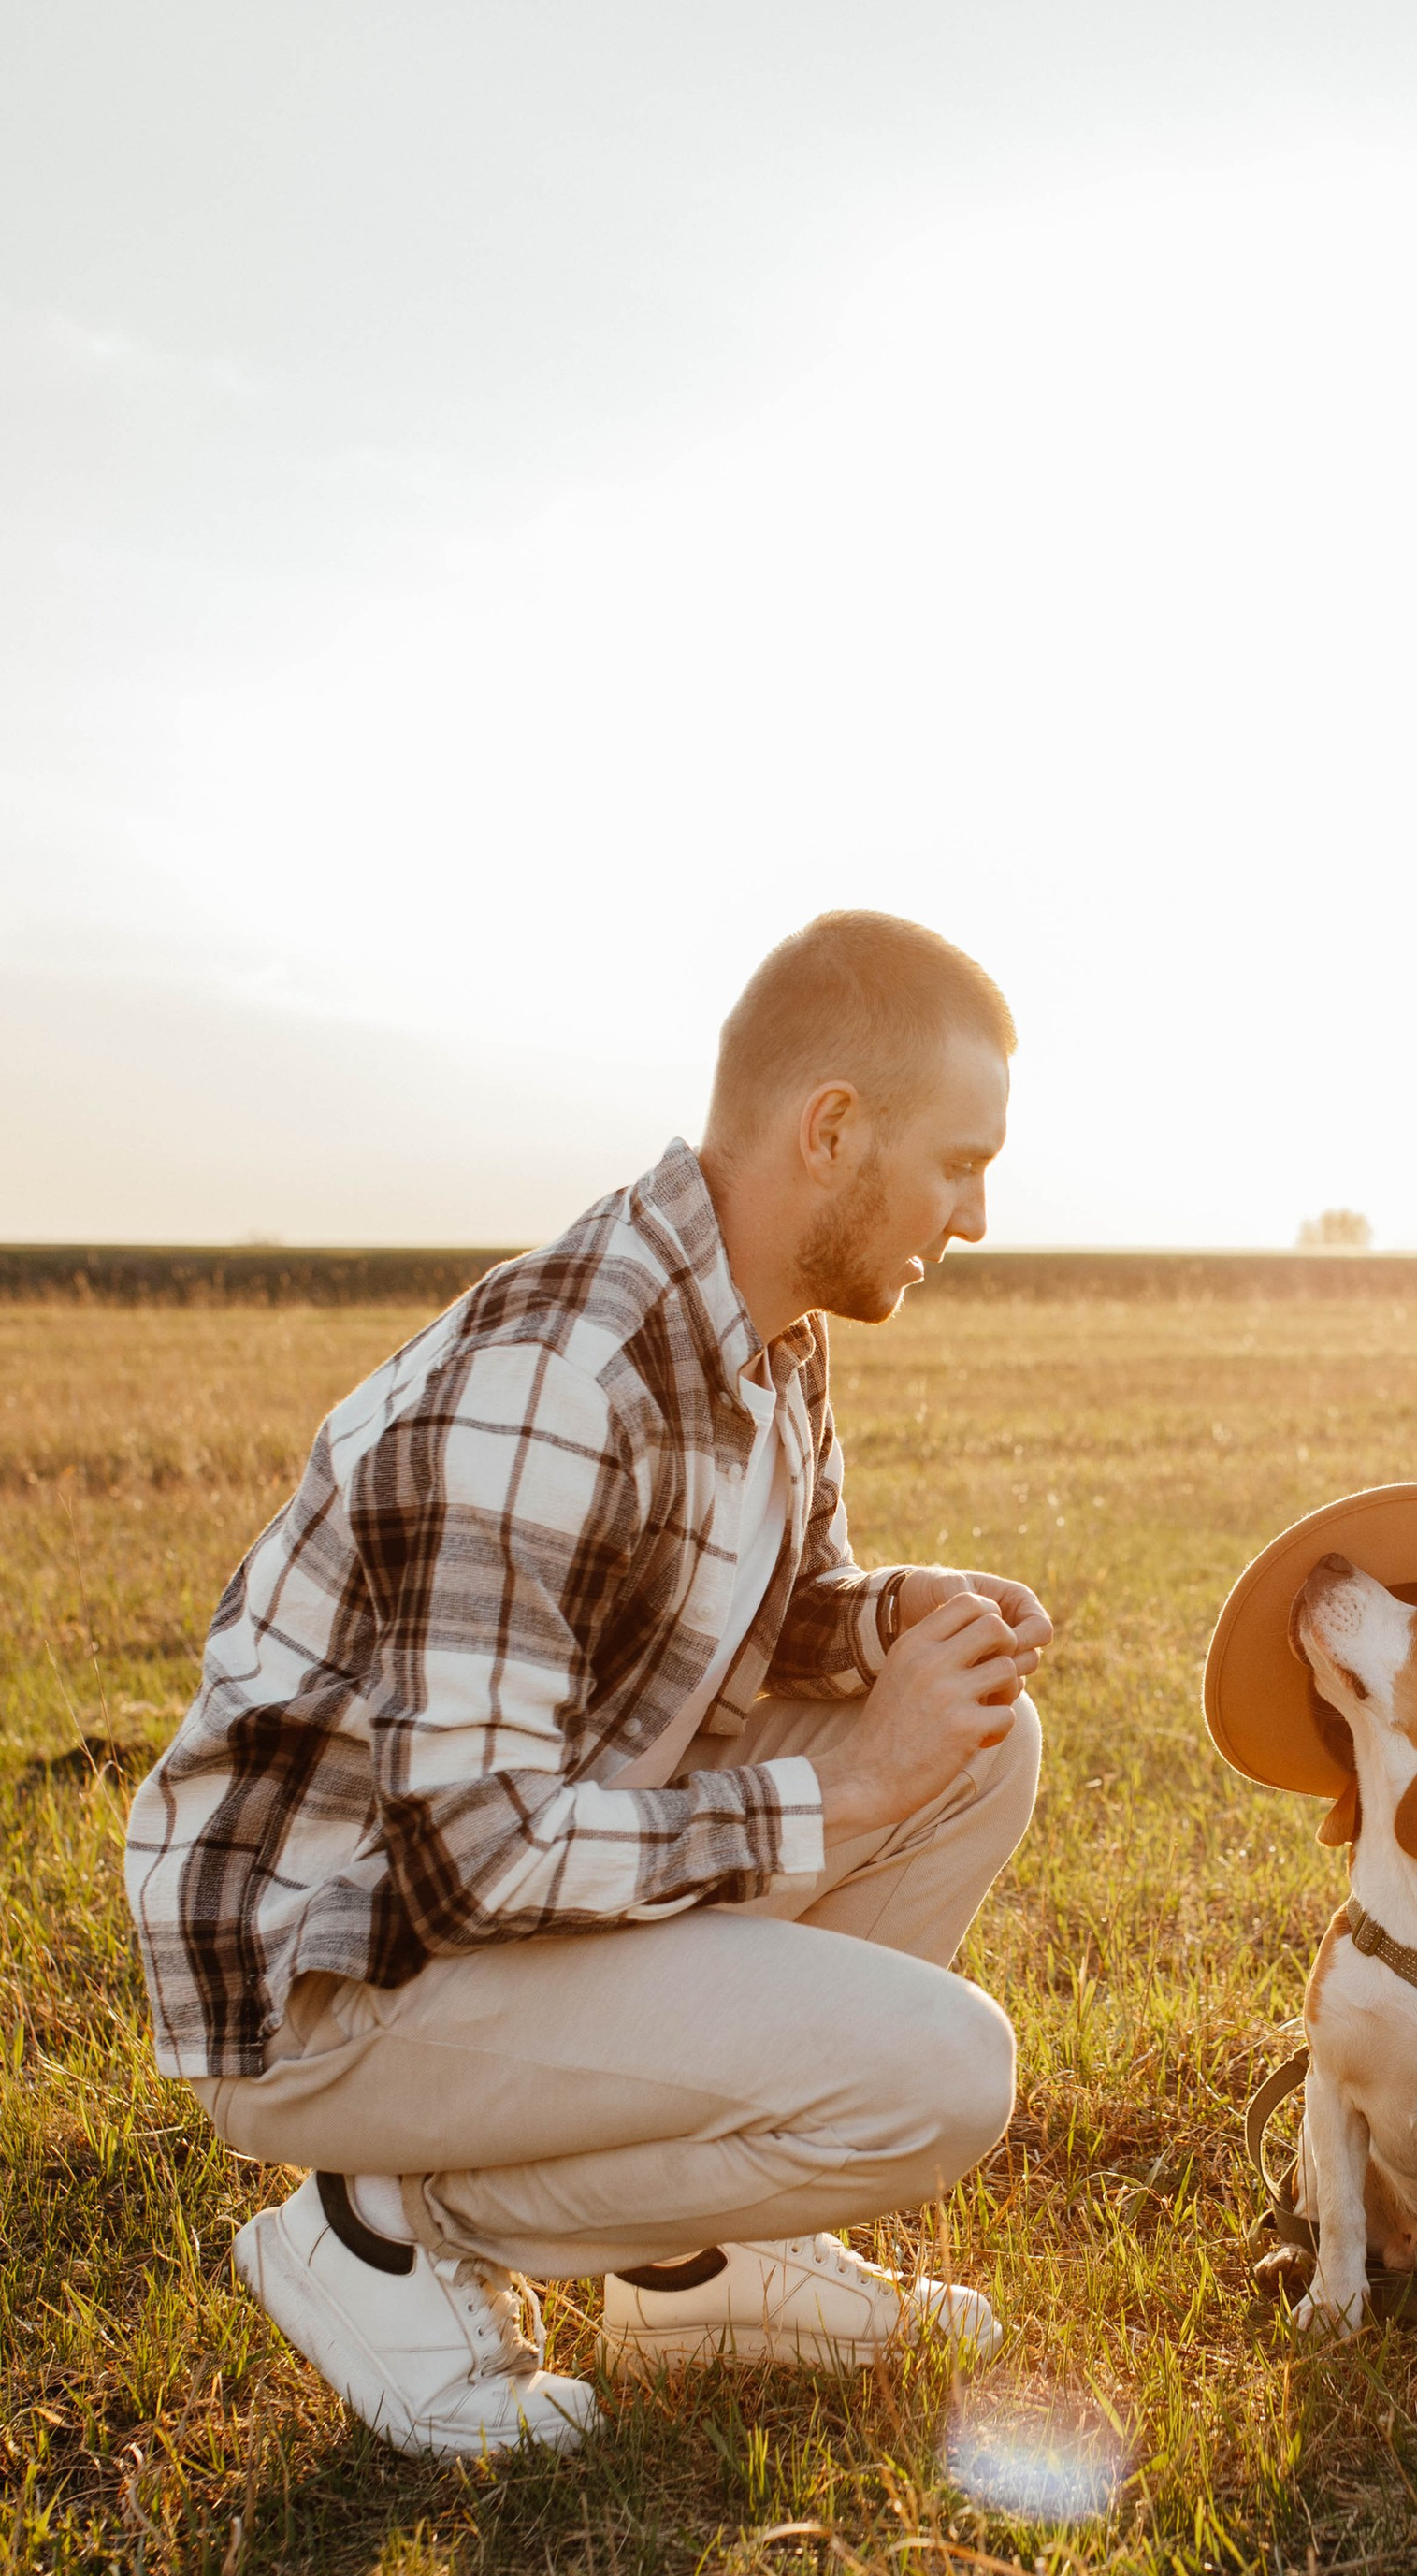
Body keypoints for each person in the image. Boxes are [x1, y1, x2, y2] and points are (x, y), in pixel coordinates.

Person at [125, 912, 1051, 2455]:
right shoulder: (557, 1375)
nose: (975, 1217)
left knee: (982, 1737)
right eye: (959, 1163)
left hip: (510, 1887)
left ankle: (698, 2267)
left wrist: (893, 1621)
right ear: (832, 1131)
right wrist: (846, 1789)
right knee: (940, 2075)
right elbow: (472, 1854)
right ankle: (375, 2226)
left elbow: (756, 1619)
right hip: (340, 1974)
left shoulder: (770, 1333)